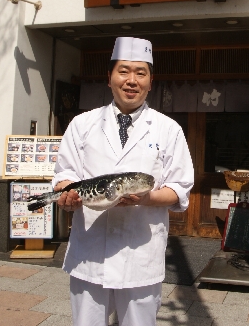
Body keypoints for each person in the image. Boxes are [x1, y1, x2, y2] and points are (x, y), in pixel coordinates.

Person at [53, 36, 194, 326]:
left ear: (150, 82)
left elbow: (179, 189)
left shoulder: (168, 130)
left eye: (140, 73)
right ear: (109, 78)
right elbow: (65, 174)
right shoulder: (82, 125)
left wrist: (147, 198)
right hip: (89, 253)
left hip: (140, 255)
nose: (132, 80)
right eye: (124, 71)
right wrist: (65, 193)